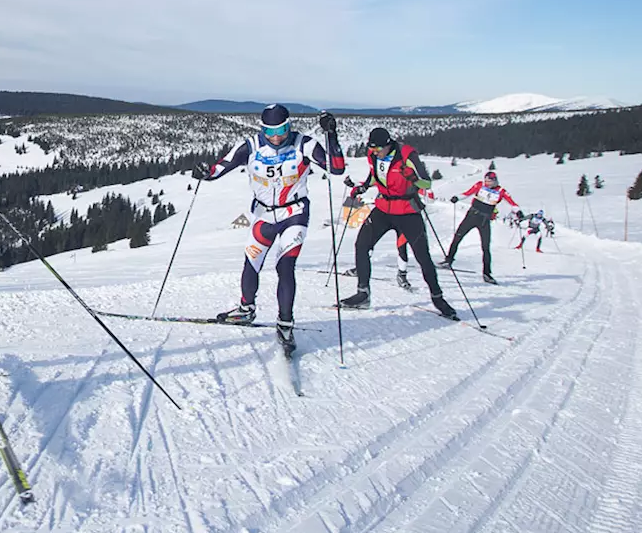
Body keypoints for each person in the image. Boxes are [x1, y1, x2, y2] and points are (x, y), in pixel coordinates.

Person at [193, 104, 344, 357]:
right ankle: (245, 309)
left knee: (285, 266)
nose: (276, 137)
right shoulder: (251, 146)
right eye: (270, 131)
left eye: (282, 129)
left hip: (293, 213)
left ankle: (286, 323)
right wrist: (204, 172)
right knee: (251, 261)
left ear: (289, 125)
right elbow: (220, 168)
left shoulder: (303, 144)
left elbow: (337, 168)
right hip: (263, 214)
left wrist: (331, 135)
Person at [340, 127, 457, 319]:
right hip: (384, 208)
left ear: (388, 144)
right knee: (362, 245)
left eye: (378, 149)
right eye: (372, 148)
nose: (374, 152)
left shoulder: (407, 154)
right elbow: (375, 175)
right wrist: (363, 186)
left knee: (422, 257)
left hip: (407, 211)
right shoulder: (373, 154)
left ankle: (438, 298)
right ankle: (363, 294)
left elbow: (426, 183)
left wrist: (411, 177)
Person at [441, 170, 518, 284]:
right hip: (472, 215)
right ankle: (449, 260)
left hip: (484, 220)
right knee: (458, 237)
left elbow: (512, 203)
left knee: (485, 247)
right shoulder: (479, 185)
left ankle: (487, 273)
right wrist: (457, 197)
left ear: (495, 181)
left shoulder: (501, 191)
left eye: (490, 181)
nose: (487, 183)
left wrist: (518, 211)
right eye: (486, 180)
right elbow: (467, 193)